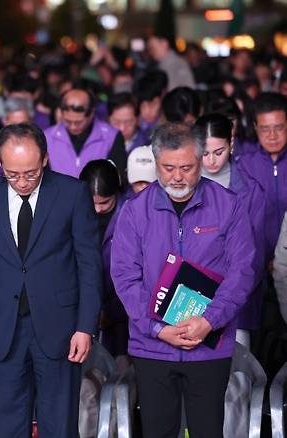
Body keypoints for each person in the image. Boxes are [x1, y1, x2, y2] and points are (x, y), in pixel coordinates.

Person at [111, 122, 255, 438]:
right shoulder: (135, 211)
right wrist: (156, 328)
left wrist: (209, 320)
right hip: (153, 347)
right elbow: (124, 276)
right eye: (168, 168)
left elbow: (242, 271)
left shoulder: (228, 206)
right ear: (156, 163)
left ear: (201, 160)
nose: (178, 176)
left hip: (208, 346)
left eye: (187, 168)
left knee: (207, 431)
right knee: (158, 431)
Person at [0, 123, 102, 437]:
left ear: (44, 160)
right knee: (8, 424)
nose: (22, 182)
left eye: (31, 173)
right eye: (12, 174)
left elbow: (89, 265)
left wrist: (85, 327)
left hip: (61, 327)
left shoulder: (72, 193)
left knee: (59, 424)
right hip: (2, 330)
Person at [194, 113, 267, 347]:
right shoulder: (182, 185)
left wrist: (228, 296)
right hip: (188, 296)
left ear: (232, 144)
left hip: (237, 301)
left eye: (219, 152)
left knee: (236, 376)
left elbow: (254, 256)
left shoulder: (250, 191)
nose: (211, 161)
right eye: (204, 153)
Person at [79, 160, 128, 363]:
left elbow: (136, 273)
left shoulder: (130, 214)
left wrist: (110, 312)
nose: (98, 209)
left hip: (124, 307)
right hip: (87, 308)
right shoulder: (74, 213)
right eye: (93, 203)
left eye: (105, 203)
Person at [237, 92, 287, 256]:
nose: (272, 136)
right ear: (255, 127)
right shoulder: (244, 165)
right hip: (257, 261)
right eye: (265, 129)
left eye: (279, 127)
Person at [44, 87, 127, 178]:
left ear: (91, 113)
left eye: (78, 122)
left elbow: (117, 178)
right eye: (67, 121)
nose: (73, 126)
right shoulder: (47, 137)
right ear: (61, 113)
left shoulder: (111, 136)